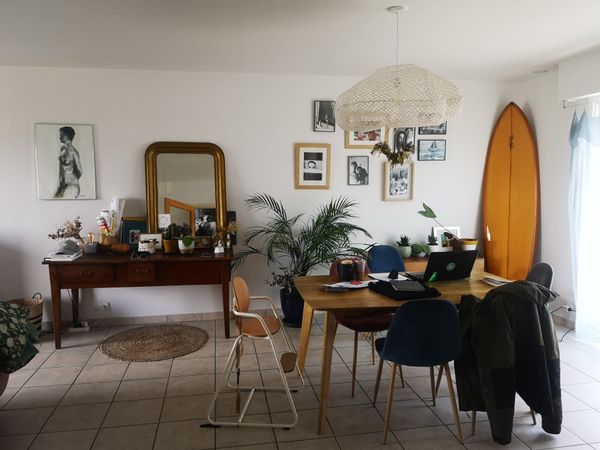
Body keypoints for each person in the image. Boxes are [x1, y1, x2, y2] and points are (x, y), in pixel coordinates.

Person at [54, 126, 83, 198]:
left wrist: (71, 180)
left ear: (67, 136)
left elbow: (80, 170)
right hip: (62, 185)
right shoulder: (63, 149)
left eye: (62, 134)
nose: (60, 136)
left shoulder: (73, 151)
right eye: (60, 134)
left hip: (71, 186)